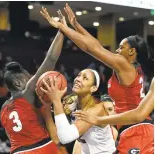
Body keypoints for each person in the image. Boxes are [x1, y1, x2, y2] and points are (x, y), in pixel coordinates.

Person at [40, 4, 154, 153]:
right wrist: (75, 25)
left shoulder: (124, 64)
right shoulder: (130, 68)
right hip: (136, 129)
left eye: (121, 47)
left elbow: (92, 49)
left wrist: (63, 28)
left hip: (136, 130)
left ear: (132, 51)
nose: (117, 50)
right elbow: (97, 47)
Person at [0, 8, 65, 154]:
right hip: (40, 148)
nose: (32, 79)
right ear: (18, 83)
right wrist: (62, 30)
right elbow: (50, 59)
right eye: (28, 77)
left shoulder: (4, 108)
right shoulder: (27, 93)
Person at [39, 68, 116, 154]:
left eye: (85, 78)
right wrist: (47, 107)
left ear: (93, 88)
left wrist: (56, 100)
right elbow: (57, 139)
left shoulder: (98, 109)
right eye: (78, 75)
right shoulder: (71, 104)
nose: (78, 79)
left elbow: (65, 137)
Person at [74, 78, 154, 153]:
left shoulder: (114, 131)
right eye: (104, 111)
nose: (108, 114)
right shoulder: (86, 129)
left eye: (110, 110)